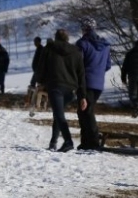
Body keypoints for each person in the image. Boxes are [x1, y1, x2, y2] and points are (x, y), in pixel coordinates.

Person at [36, 29, 88, 152]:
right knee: (58, 114)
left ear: (56, 37)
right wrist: (83, 96)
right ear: (67, 38)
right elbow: (81, 74)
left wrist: (40, 82)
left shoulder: (49, 48)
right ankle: (53, 142)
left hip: (56, 85)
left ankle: (68, 141)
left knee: (59, 114)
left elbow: (41, 67)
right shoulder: (76, 51)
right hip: (71, 89)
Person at [75, 17, 111, 150]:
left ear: (84, 29)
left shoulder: (82, 44)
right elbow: (108, 65)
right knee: (84, 111)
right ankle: (86, 142)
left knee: (86, 112)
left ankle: (93, 141)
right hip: (99, 83)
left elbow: (78, 65)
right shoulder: (105, 45)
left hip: (85, 82)